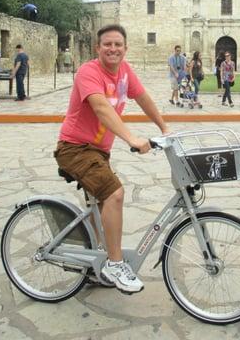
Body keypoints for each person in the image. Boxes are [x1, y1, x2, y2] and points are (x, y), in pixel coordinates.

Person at [54, 24, 169, 294]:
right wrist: (131, 138)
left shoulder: (125, 72)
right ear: (98, 48)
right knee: (114, 194)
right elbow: (101, 107)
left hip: (98, 152)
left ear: (125, 49)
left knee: (100, 204)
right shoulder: (88, 72)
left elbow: (143, 98)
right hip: (75, 148)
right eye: (107, 44)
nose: (113, 48)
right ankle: (115, 265)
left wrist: (165, 128)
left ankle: (96, 263)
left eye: (118, 44)